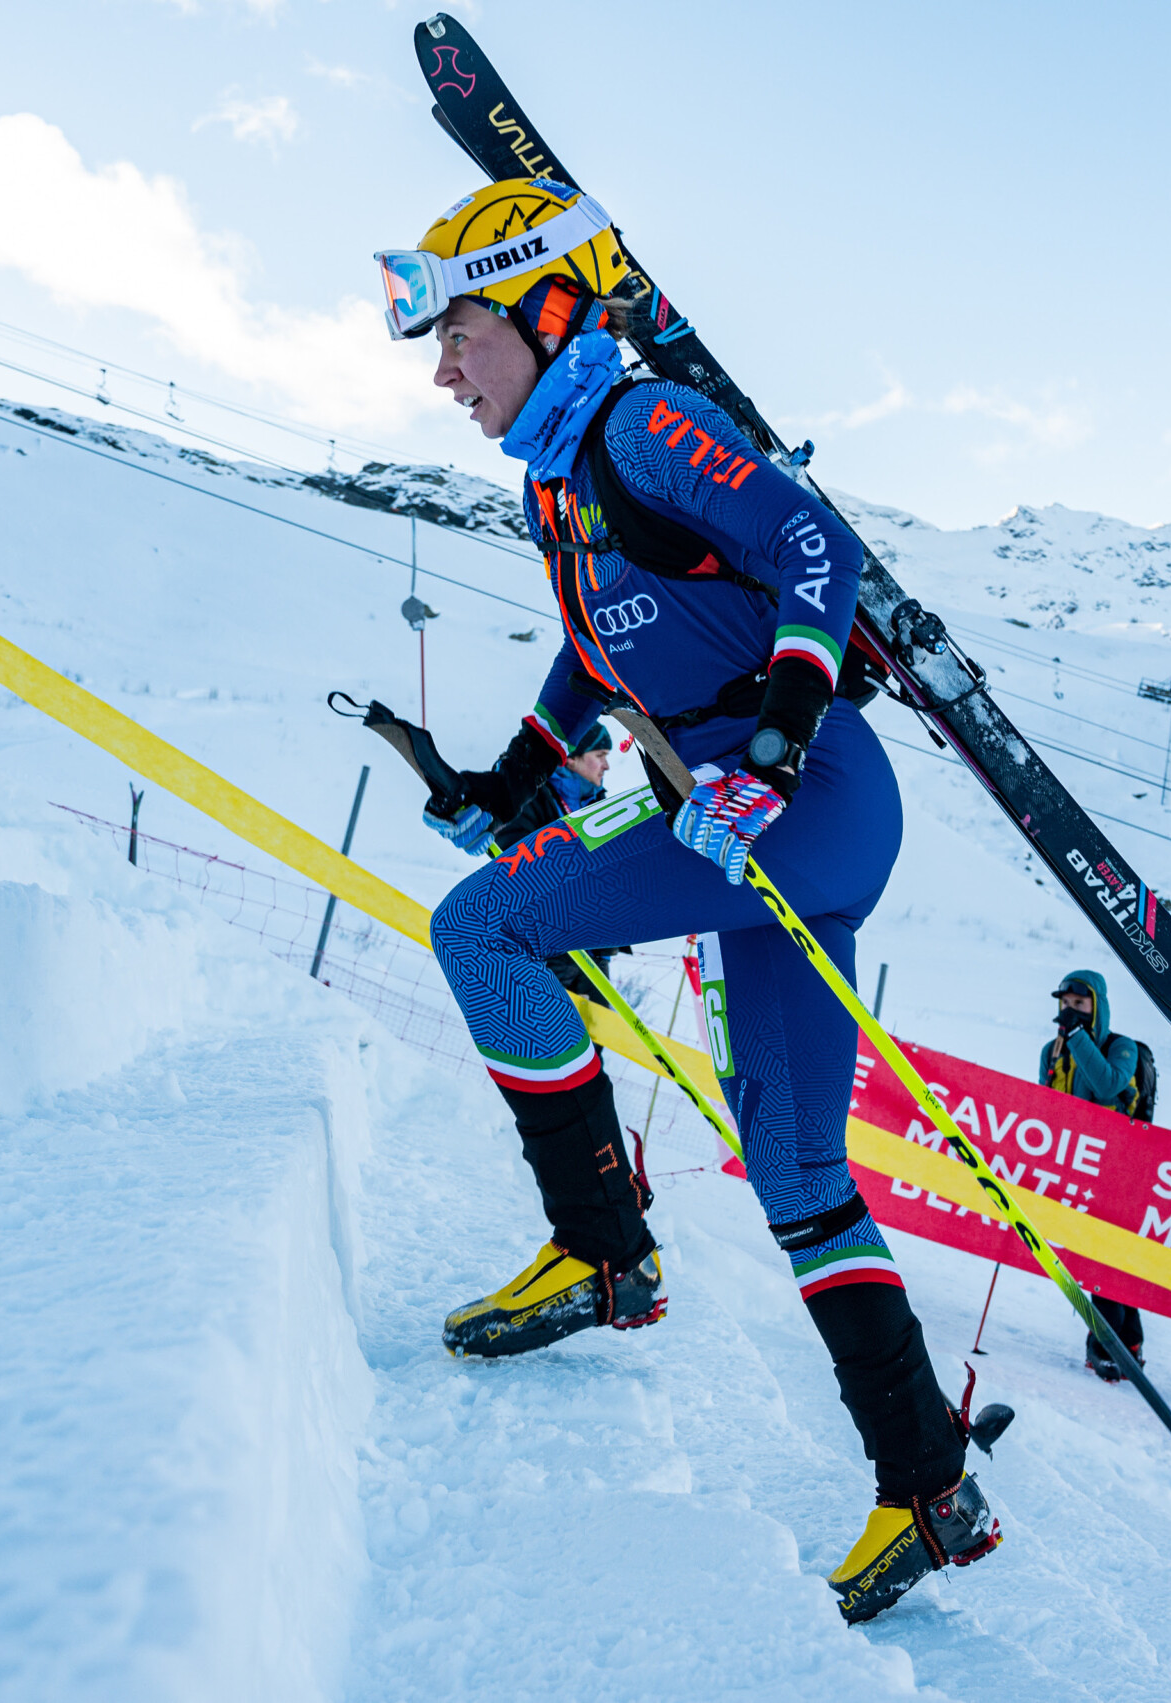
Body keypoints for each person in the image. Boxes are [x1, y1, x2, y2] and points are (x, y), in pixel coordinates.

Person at [375, 177, 997, 1621]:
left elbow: (814, 549)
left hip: (803, 796)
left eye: (461, 331)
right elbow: (604, 655)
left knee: (482, 928)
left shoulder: (640, 424)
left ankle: (604, 1253)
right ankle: (931, 1483)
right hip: (728, 820)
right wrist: (515, 769)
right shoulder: (554, 479)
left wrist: (772, 751)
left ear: (546, 308)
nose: (442, 371)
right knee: (793, 1167)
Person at [430, 722, 621, 997]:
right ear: (571, 757)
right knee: (550, 1035)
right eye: (600, 755)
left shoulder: (600, 807)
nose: (606, 766)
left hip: (596, 952)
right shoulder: (530, 800)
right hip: (545, 950)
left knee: (599, 1034)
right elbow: (522, 871)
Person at [1039, 969, 1146, 1382]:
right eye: (1065, 1005)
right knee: (1093, 1259)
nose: (1070, 1012)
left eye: (1080, 1005)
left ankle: (1107, 1345)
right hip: (1072, 1167)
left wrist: (1079, 1037)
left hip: (1118, 1172)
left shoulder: (1123, 1048)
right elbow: (1045, 1104)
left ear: (1096, 1007)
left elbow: (1107, 1086)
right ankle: (1129, 1341)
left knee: (1109, 1259)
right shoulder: (1053, 1049)